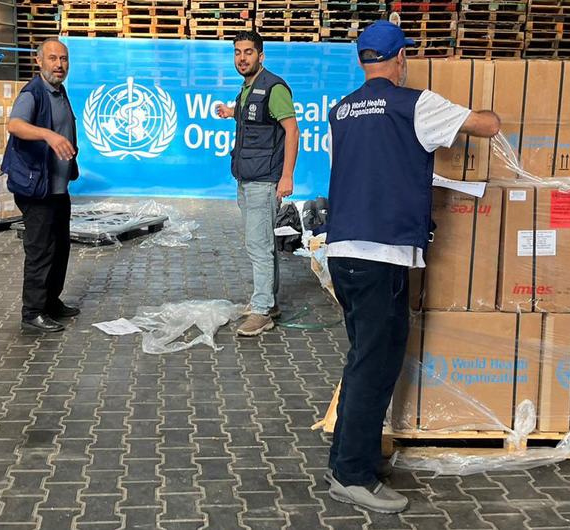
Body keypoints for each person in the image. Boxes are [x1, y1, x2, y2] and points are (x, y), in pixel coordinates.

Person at [322, 21, 501, 513]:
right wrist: (491, 103)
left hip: (343, 253)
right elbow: (486, 125)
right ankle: (351, 475)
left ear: (363, 61)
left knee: (363, 356)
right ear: (400, 60)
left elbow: (358, 169)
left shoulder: (340, 112)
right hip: (382, 256)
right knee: (374, 366)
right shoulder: (414, 104)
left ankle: (346, 455)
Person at [214, 31, 300, 337]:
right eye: (237, 52)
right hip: (246, 177)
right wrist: (230, 112)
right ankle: (268, 301)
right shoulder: (248, 88)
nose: (242, 58)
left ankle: (263, 311)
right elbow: (254, 115)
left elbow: (291, 131)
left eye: (248, 52)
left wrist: (287, 176)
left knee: (259, 245)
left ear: (260, 56)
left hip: (264, 181)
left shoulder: (274, 87)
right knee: (262, 244)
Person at [2, 38, 82, 333]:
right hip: (37, 189)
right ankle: (32, 312)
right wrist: (48, 135)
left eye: (63, 59)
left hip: (58, 187)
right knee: (41, 250)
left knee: (60, 247)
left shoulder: (59, 91)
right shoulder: (33, 93)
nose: (59, 65)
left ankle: (51, 302)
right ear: (39, 61)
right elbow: (15, 125)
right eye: (52, 58)